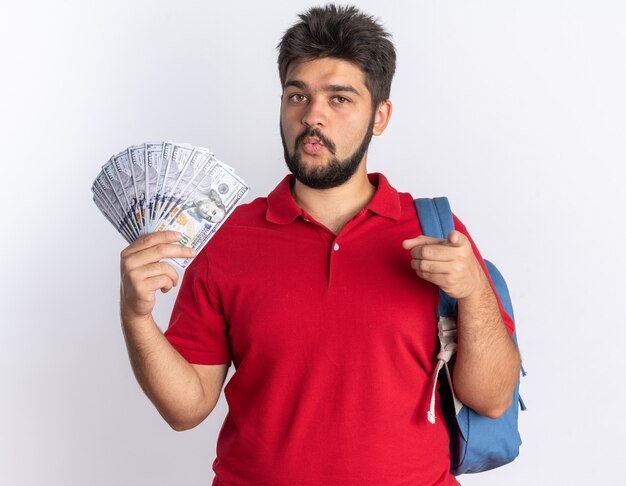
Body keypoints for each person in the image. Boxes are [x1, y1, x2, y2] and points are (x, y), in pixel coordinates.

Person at [118, 4, 521, 485]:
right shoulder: (226, 240)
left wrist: (474, 291)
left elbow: (493, 398)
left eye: (339, 99)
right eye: (297, 95)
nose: (313, 116)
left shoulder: (436, 229)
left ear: (380, 115)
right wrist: (136, 318)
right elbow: (187, 409)